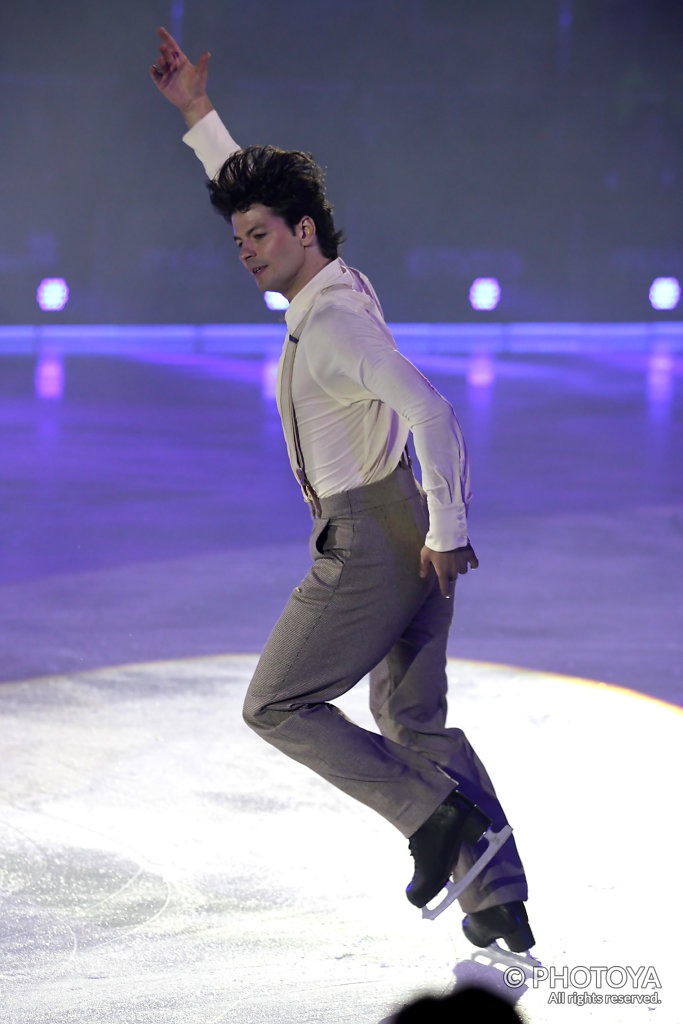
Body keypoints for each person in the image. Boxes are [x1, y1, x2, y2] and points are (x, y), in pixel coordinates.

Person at [150, 26, 534, 952]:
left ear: (303, 232)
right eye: (237, 237)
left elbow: (432, 411)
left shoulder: (331, 332)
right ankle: (499, 903)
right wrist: (199, 118)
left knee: (275, 704)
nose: (245, 249)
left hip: (370, 538)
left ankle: (429, 818)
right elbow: (258, 190)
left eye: (259, 236)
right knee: (409, 716)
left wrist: (446, 530)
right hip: (404, 514)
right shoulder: (333, 289)